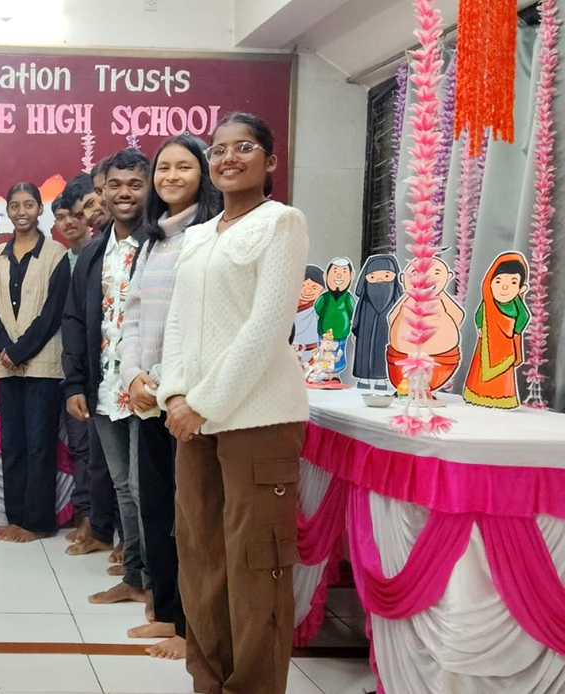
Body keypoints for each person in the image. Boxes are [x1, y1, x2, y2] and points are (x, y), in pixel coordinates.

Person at [156, 112, 309, 694]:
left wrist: (202, 403)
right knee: (201, 557)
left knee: (255, 565)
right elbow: (177, 324)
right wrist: (175, 394)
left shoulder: (281, 223)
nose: (227, 158)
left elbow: (266, 328)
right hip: (193, 420)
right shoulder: (198, 235)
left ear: (269, 162)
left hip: (257, 418)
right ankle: (209, 681)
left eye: (243, 147)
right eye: (218, 150)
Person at [119, 133, 223, 660]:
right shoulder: (152, 240)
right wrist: (133, 375)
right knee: (157, 509)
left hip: (187, 397)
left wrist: (161, 380)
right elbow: (133, 314)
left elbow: (201, 323)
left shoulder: (210, 236)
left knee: (192, 518)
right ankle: (165, 612)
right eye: (164, 168)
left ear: (203, 174)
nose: (172, 176)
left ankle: (191, 629)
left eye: (184, 166)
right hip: (148, 396)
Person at [62, 148, 152, 601]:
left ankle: (155, 581)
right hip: (105, 386)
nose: (123, 193)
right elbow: (75, 320)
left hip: (150, 388)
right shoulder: (94, 252)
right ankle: (134, 577)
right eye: (114, 185)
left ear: (150, 189)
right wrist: (75, 384)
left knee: (145, 485)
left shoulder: (162, 244)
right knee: (122, 485)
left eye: (135, 184)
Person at [0, 182, 71, 542]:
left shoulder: (56, 254)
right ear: (7, 210)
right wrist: (5, 347)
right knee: (13, 444)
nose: (22, 212)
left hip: (42, 365)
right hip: (6, 365)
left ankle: (37, 523)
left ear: (39, 209)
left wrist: (20, 351)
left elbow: (53, 313)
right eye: (15, 205)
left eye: (29, 205)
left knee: (39, 444)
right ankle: (16, 517)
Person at [463, 252, 531, 409]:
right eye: (498, 281)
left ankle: (501, 397)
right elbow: (479, 315)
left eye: (513, 282)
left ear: (521, 288)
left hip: (505, 346)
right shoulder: (487, 304)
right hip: (486, 344)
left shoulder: (516, 305)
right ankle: (478, 394)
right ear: (489, 282)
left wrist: (515, 331)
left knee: (503, 375)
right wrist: (480, 327)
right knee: (480, 370)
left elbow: (524, 316)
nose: (504, 287)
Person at [386, 256, 464, 393]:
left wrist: (446, 332)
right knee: (406, 382)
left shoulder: (441, 299)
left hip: (441, 358)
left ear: (448, 277)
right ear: (403, 278)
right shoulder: (407, 300)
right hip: (401, 356)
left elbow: (458, 316)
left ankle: (426, 393)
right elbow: (392, 318)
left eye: (436, 273)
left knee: (427, 381)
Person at [351, 254, 401, 390]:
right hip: (365, 333)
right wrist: (355, 330)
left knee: (382, 353)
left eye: (386, 276)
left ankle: (381, 381)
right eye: (373, 277)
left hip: (386, 333)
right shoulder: (365, 300)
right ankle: (364, 379)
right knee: (364, 354)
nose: (379, 280)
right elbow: (358, 314)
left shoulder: (395, 300)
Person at [313, 257, 354, 382]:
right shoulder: (325, 297)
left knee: (338, 353)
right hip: (324, 332)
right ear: (327, 276)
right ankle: (324, 373)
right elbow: (318, 308)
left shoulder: (348, 298)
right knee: (324, 353)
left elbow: (352, 311)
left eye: (344, 272)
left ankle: (335, 375)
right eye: (335, 271)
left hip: (341, 333)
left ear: (351, 276)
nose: (339, 276)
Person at [294, 265, 324, 366]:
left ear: (322, 290)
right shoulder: (286, 307)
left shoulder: (319, 311)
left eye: (314, 287)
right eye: (303, 286)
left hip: (309, 358)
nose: (307, 291)